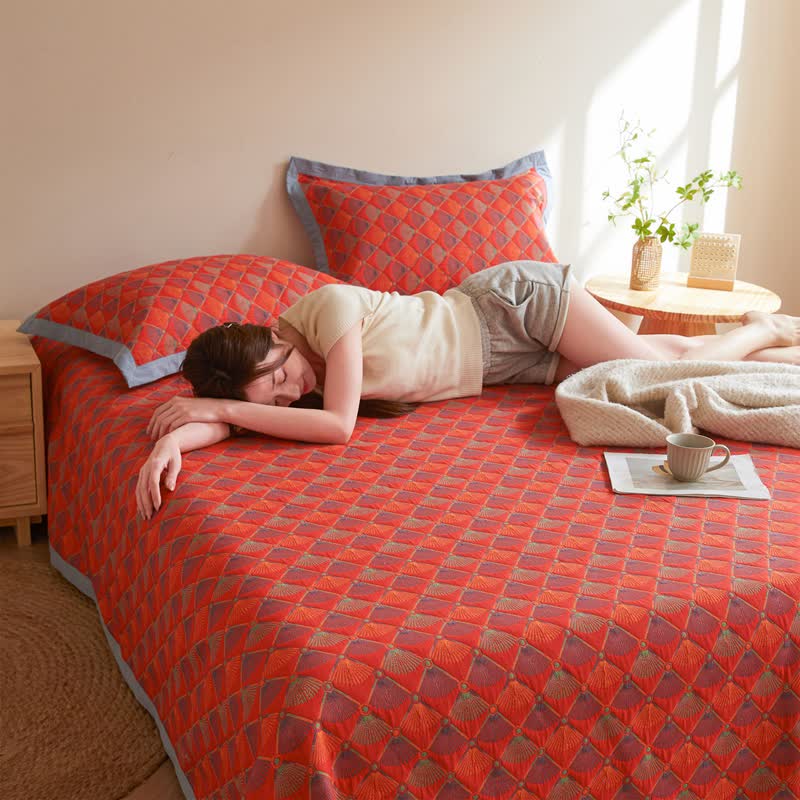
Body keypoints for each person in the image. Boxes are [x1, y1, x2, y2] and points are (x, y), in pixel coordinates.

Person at [136, 260, 800, 519]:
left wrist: (219, 405)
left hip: (513, 308)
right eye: (277, 399)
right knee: (666, 358)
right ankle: (775, 348)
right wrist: (175, 444)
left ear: (268, 337)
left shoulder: (327, 310)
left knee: (656, 376)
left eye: (281, 374)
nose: (291, 391)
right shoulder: (269, 391)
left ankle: (760, 328)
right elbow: (244, 419)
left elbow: (337, 427)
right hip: (499, 368)